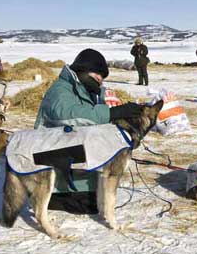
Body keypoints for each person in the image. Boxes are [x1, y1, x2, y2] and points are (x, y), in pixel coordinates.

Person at [35, 48, 142, 213]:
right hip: (51, 156)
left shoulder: (89, 92)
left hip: (71, 151)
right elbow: (69, 115)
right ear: (83, 69)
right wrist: (112, 112)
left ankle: (86, 190)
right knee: (89, 204)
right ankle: (57, 196)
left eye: (103, 77)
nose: (100, 80)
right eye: (98, 73)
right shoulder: (61, 90)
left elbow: (96, 126)